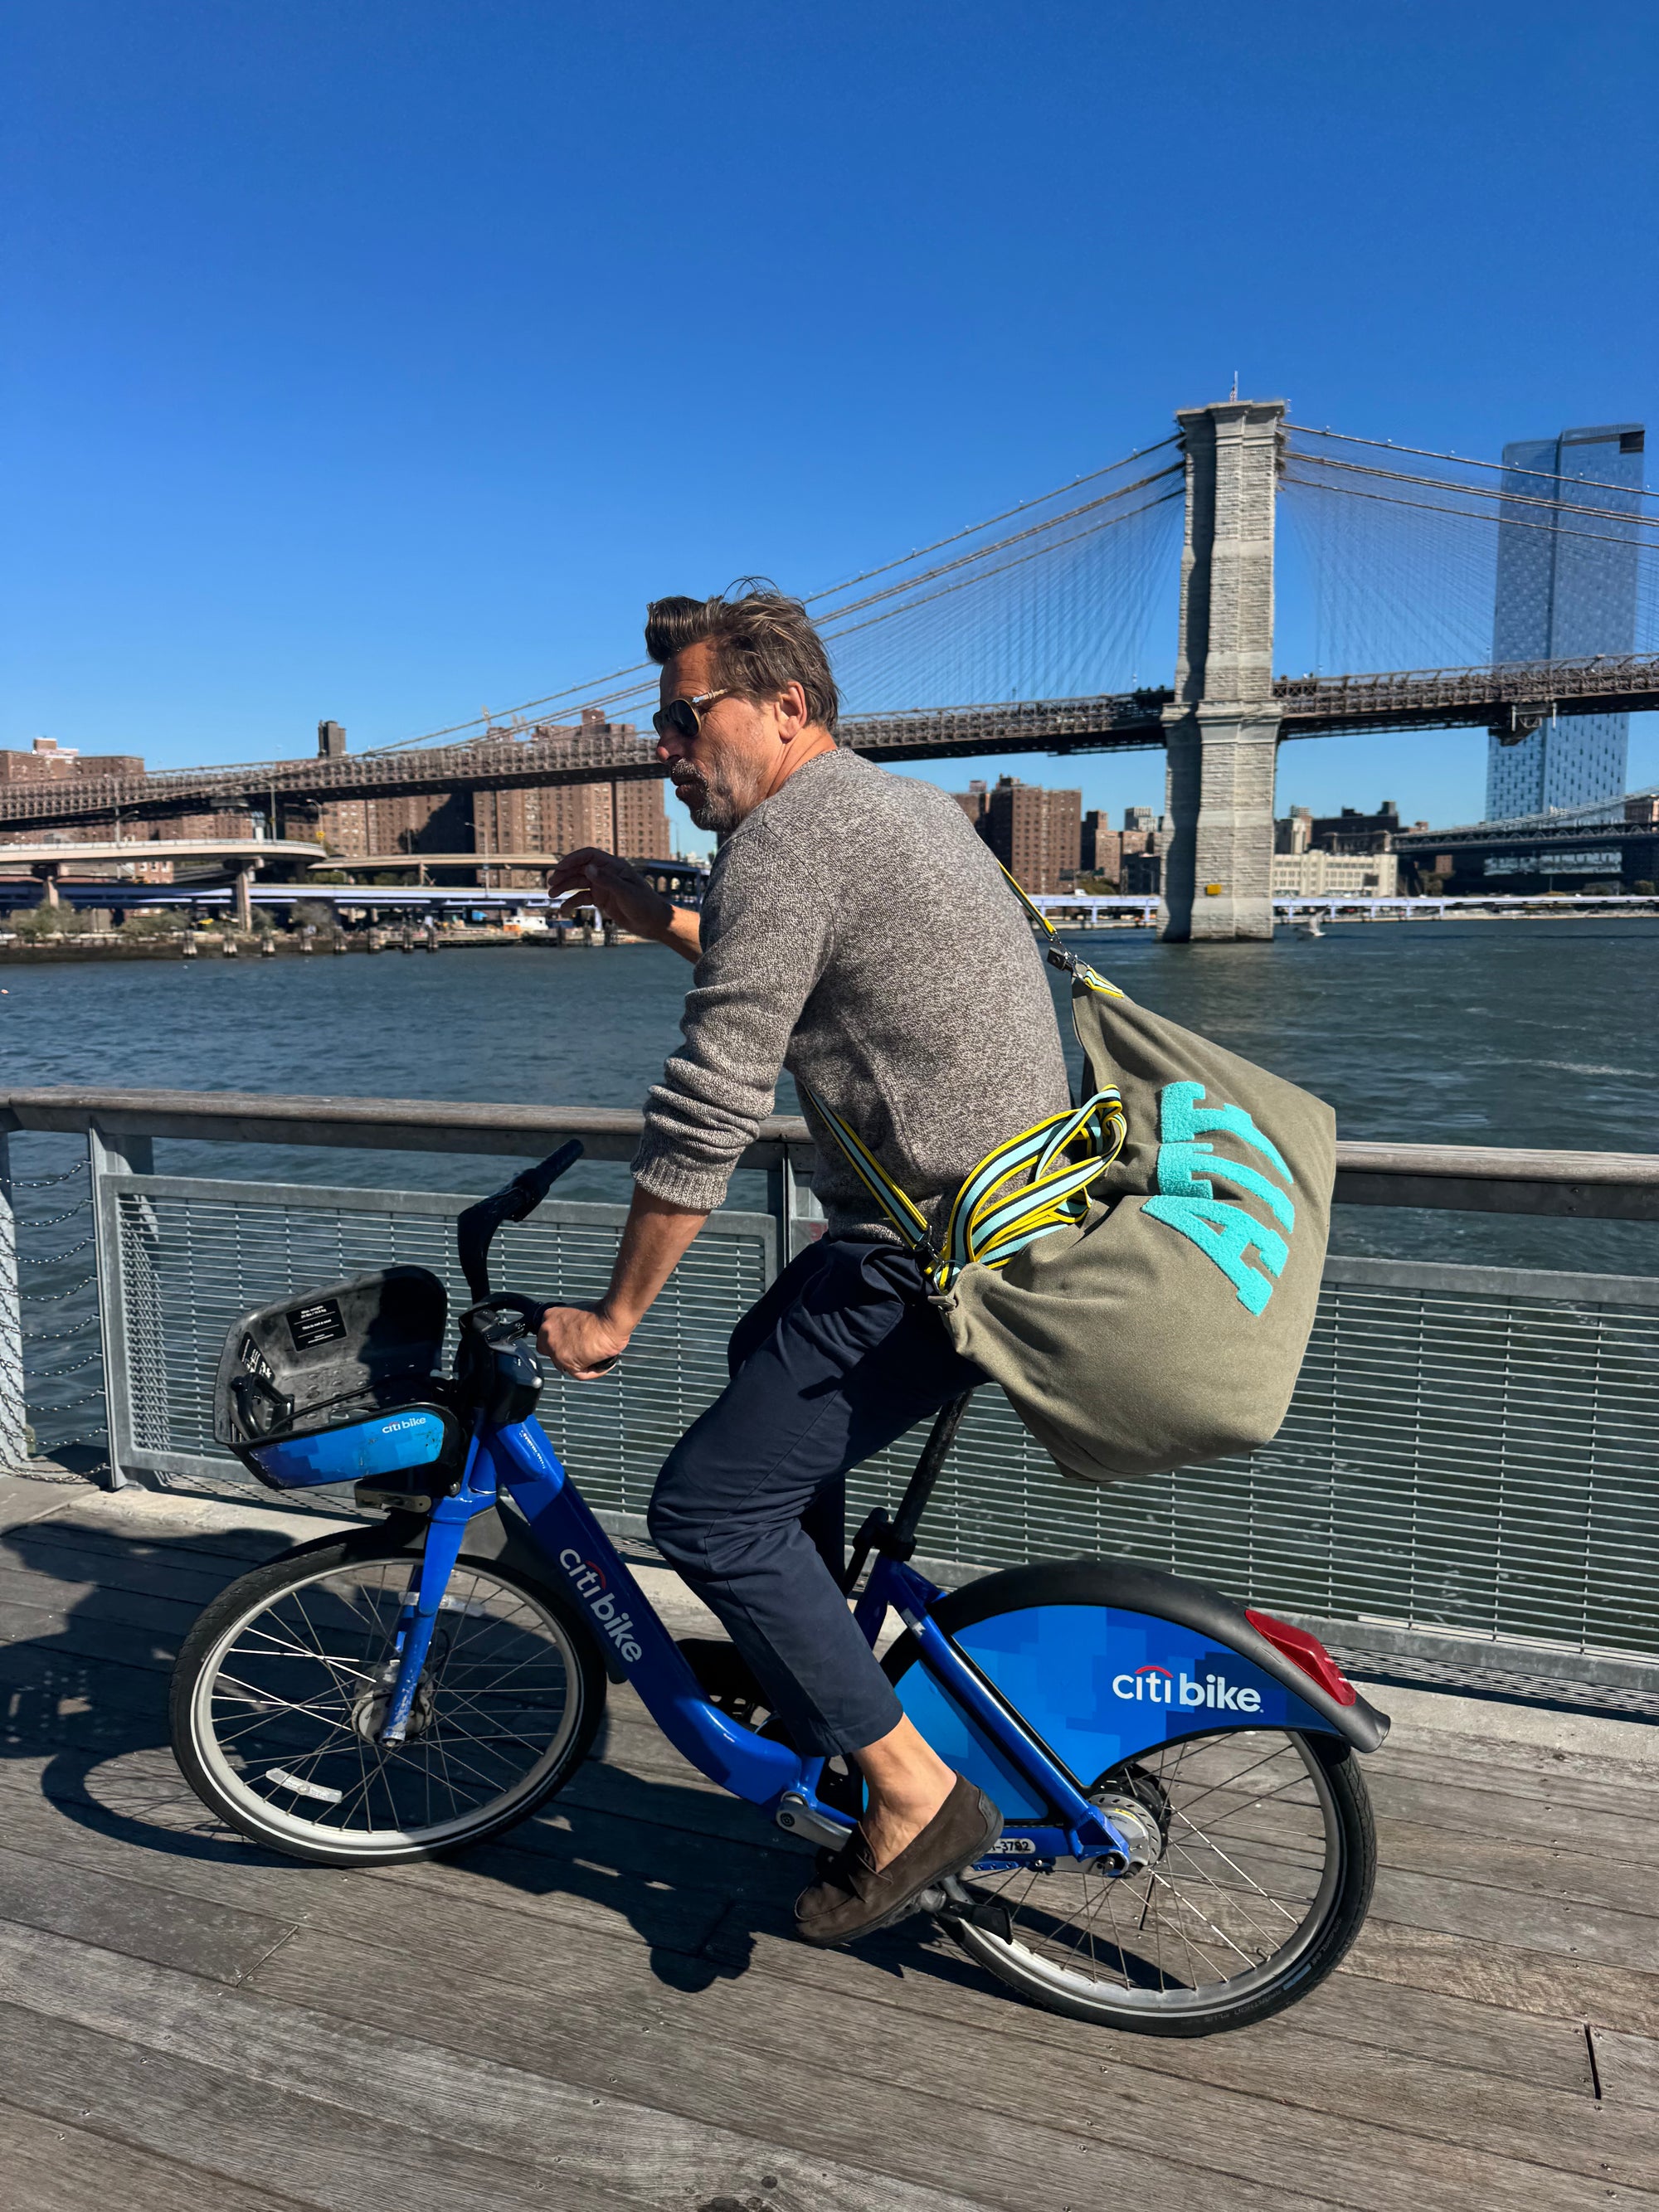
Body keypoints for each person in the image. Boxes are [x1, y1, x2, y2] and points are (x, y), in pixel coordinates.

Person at [538, 584, 1070, 1946]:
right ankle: (812, 1656)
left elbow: (711, 1104)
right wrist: (645, 912)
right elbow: (794, 973)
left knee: (708, 1511)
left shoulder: (785, 842)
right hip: (1004, 1223)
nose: (664, 746)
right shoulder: (883, 810)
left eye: (684, 715)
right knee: (759, 1350)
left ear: (788, 708)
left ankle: (910, 1795)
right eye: (659, 721)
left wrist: (612, 1313)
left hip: (938, 1261)